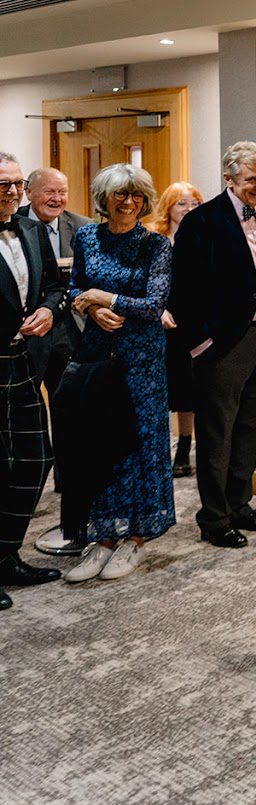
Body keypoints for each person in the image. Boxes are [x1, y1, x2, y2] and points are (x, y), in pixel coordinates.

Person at [169, 141, 256, 549]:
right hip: (223, 343)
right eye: (251, 180)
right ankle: (214, 517)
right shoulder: (202, 221)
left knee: (250, 427)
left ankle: (240, 505)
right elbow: (183, 289)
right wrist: (201, 344)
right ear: (229, 179)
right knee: (217, 433)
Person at [61, 165, 175, 582]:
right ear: (104, 199)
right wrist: (93, 308)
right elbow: (75, 287)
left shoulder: (156, 245)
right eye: (120, 195)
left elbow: (154, 305)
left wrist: (105, 297)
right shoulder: (87, 237)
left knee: (142, 445)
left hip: (142, 361)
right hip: (98, 355)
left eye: (136, 196)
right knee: (101, 444)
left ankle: (137, 538)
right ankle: (105, 537)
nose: (128, 203)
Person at [0, 152, 64, 610]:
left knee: (37, 457)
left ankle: (6, 555)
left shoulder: (32, 229)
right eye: (3, 184)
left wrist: (47, 309)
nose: (12, 192)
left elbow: (55, 287)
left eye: (18, 184)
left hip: (21, 361)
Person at [21, 167, 93, 559]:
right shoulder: (15, 226)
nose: (57, 199)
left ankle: (70, 493)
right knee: (26, 416)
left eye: (62, 192)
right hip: (25, 336)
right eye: (49, 191)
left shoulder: (81, 228)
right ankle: (24, 491)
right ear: (29, 193)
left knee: (70, 414)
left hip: (68, 332)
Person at [146, 181, 203, 479]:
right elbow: (145, 282)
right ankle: (156, 450)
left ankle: (184, 449)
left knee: (188, 391)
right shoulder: (154, 239)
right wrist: (158, 311)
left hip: (192, 322)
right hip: (159, 320)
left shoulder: (204, 235)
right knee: (162, 387)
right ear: (168, 207)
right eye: (182, 203)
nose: (189, 209)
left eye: (194, 203)